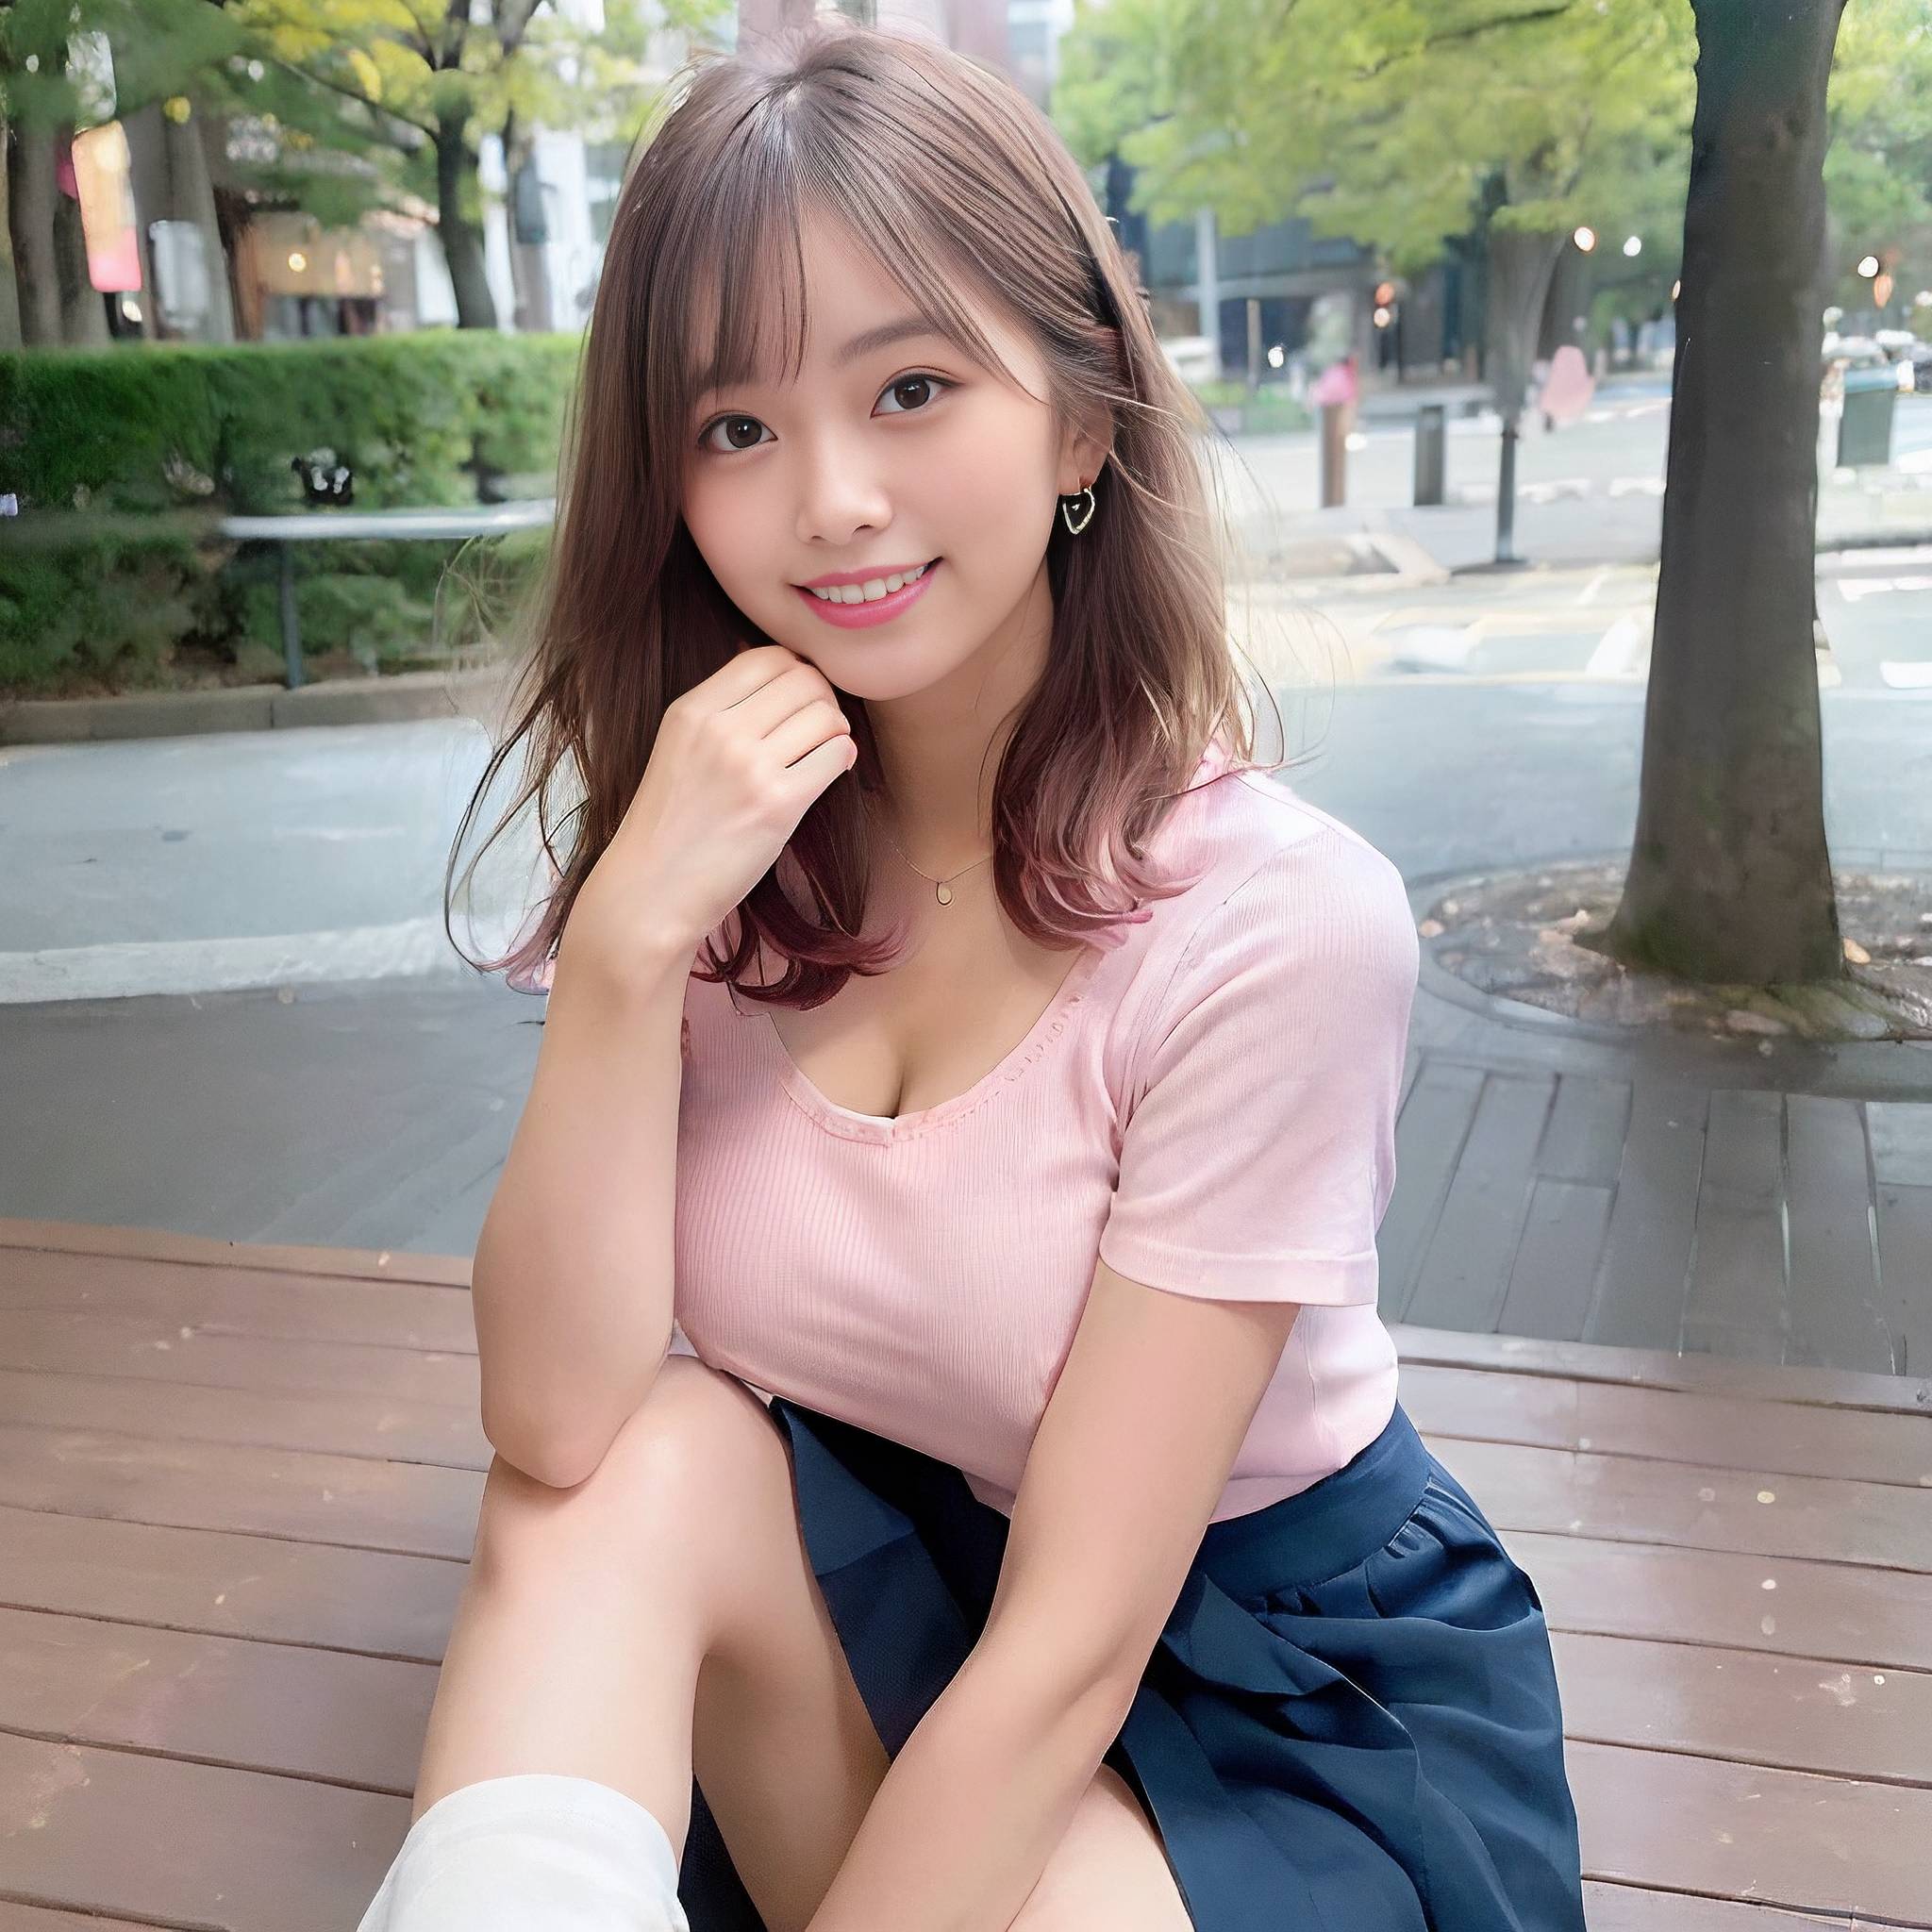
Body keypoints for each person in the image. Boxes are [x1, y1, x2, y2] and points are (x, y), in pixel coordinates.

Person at [354, 18, 1588, 1932]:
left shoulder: (1274, 924)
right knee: (626, 1471)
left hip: (1271, 1676)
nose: (831, 498)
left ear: (1080, 420)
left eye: (911, 388)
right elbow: (555, 1418)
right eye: (737, 429)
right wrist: (623, 944)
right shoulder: (723, 847)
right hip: (910, 1592)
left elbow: (1072, 1649)